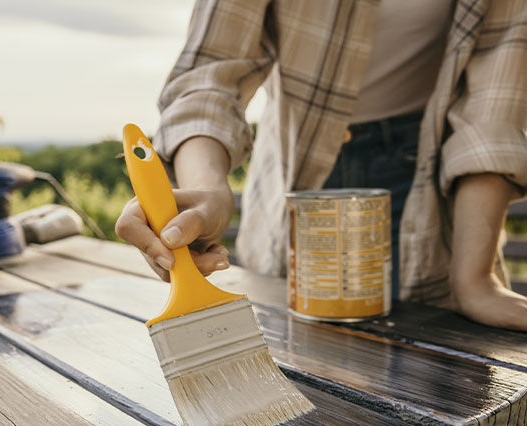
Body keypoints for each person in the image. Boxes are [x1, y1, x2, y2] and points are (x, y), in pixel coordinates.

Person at [116, 0, 527, 331]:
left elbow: (492, 112)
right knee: (296, 352)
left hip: (431, 178)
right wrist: (207, 191)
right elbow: (209, 76)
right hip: (297, 172)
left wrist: (475, 282)